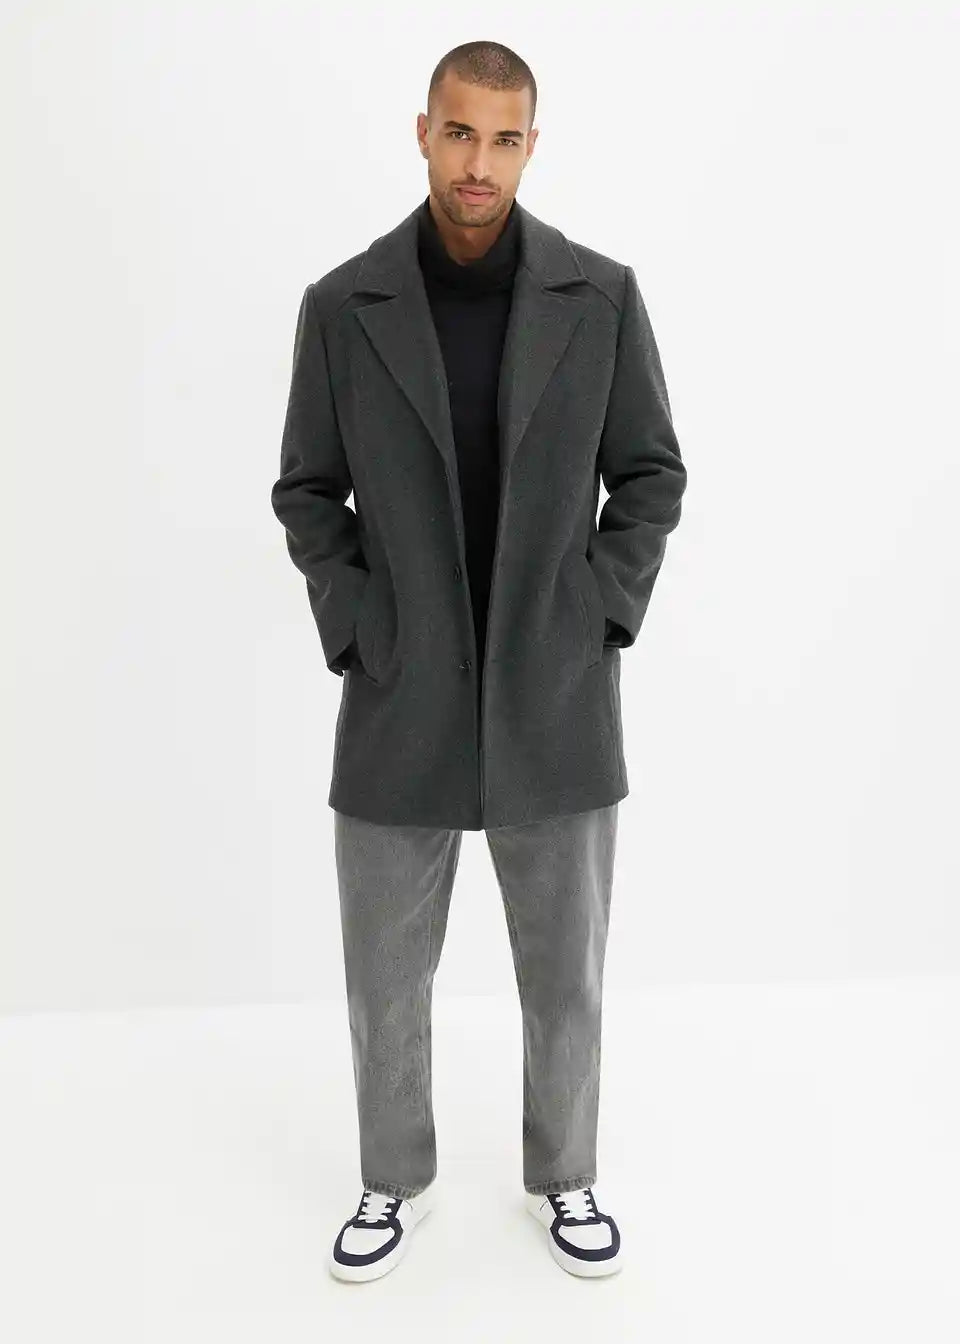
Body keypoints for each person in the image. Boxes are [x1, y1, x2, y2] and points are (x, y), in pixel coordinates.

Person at [271, 40, 687, 1282]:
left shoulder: (600, 296)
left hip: (554, 688)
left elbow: (651, 474)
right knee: (384, 971)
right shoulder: (343, 306)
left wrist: (599, 610)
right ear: (423, 132)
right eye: (460, 133)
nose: (480, 164)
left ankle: (567, 1172)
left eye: (505, 139)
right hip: (400, 688)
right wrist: (358, 626)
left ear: (531, 147)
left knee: (565, 971)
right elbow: (307, 491)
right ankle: (391, 1178)